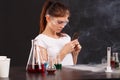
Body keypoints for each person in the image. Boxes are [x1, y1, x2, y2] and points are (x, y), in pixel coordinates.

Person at [34, 0, 82, 65]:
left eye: (65, 22)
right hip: (53, 76)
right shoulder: (40, 40)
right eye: (60, 22)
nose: (63, 26)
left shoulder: (66, 37)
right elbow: (43, 68)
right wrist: (64, 52)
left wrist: (75, 54)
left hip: (69, 75)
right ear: (48, 18)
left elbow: (72, 65)